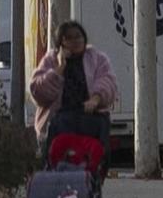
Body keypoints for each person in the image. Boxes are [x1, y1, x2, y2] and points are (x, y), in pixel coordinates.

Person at [29, 20, 118, 159]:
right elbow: (38, 92)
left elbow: (108, 81)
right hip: (60, 118)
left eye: (78, 36)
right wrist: (59, 69)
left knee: (99, 140)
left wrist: (96, 98)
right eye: (68, 38)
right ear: (61, 42)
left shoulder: (97, 58)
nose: (75, 41)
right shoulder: (50, 60)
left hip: (90, 116)